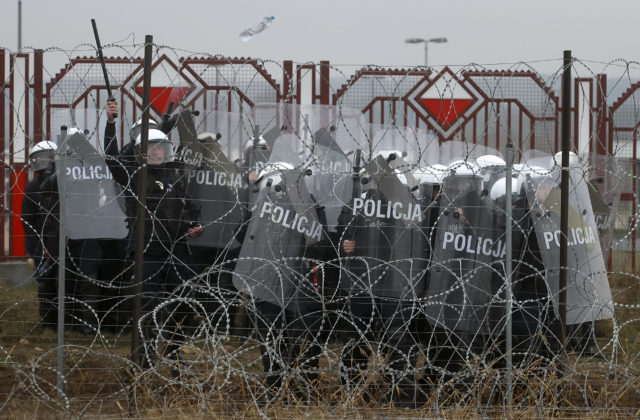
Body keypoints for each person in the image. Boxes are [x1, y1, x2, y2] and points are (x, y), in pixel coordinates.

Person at [103, 101, 203, 368]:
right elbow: (112, 159)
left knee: (186, 299)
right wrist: (110, 124)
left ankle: (173, 348)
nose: (157, 151)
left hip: (177, 249)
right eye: (151, 147)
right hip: (148, 252)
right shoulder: (135, 175)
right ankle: (145, 358)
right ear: (141, 152)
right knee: (147, 307)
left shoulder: (176, 174)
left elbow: (190, 207)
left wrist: (195, 223)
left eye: (161, 147)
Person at [22, 140, 59, 331]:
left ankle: (68, 324)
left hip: (64, 243)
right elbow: (28, 222)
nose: (44, 161)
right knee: (45, 286)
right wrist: (37, 249)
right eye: (40, 158)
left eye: (47, 157)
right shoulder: (32, 187)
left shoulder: (63, 183)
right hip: (42, 246)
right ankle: (49, 324)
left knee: (68, 284)